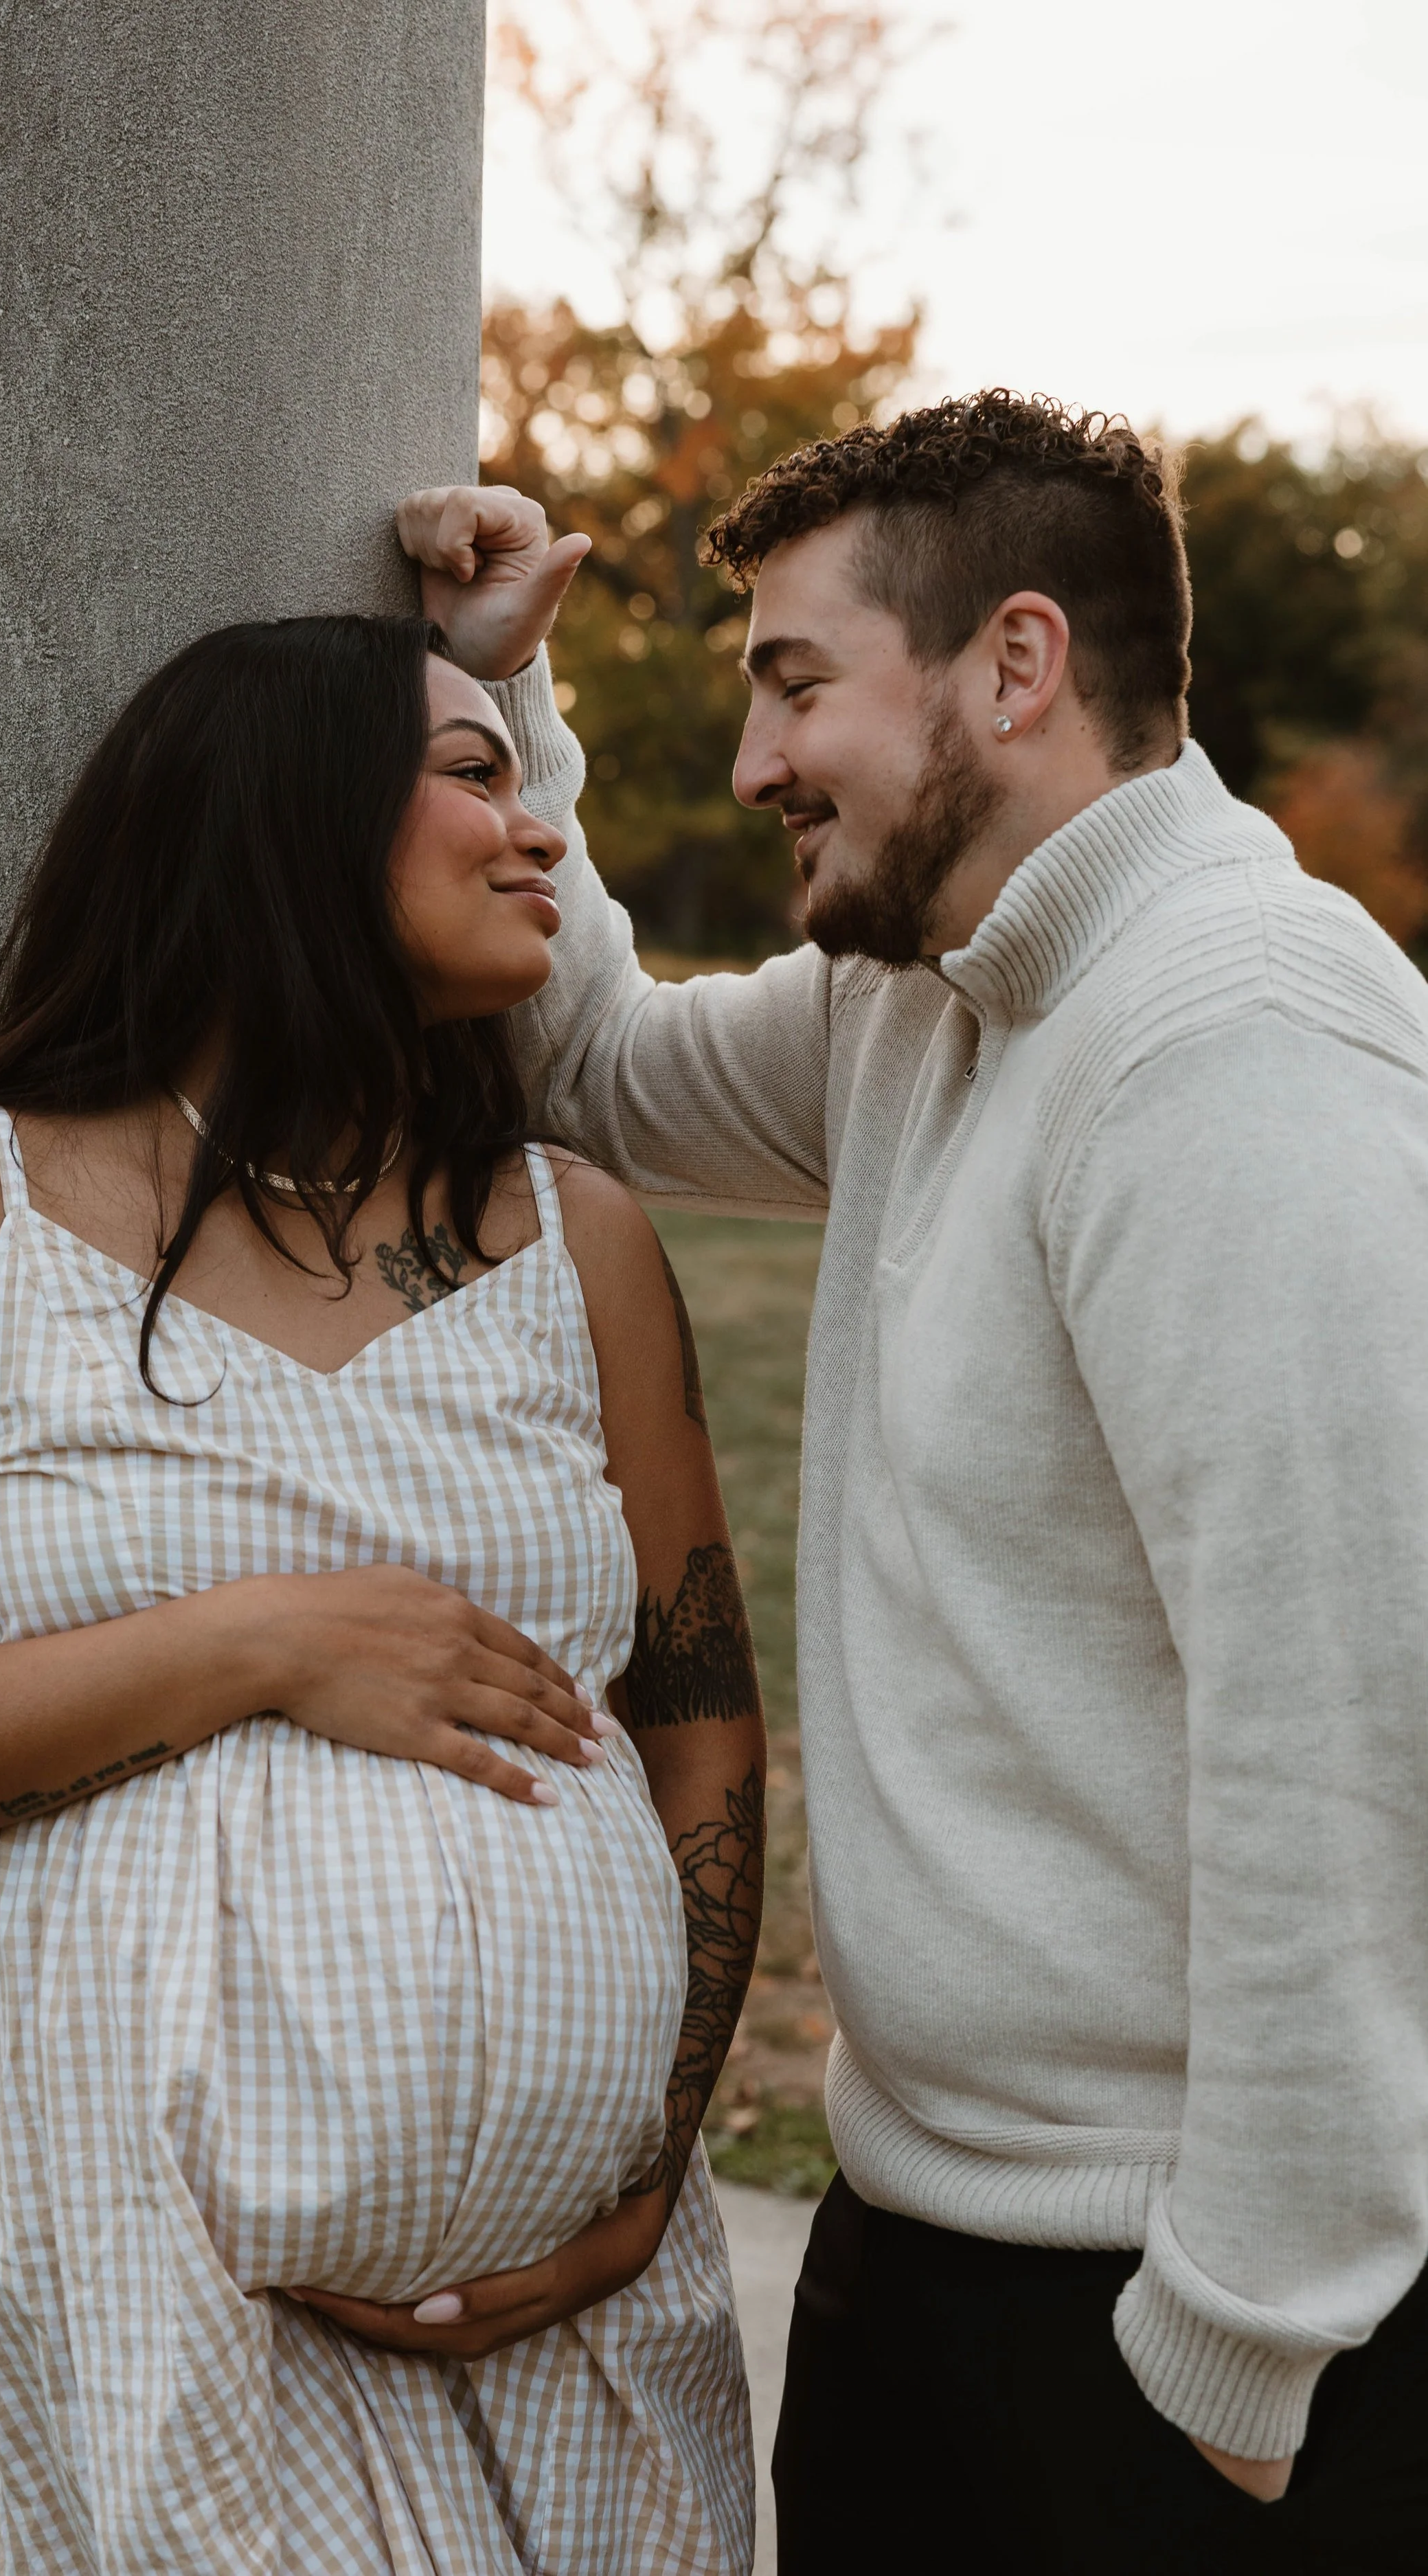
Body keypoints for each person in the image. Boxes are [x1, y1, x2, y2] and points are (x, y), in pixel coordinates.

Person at [397, 392, 1428, 2571]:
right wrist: (501, 690)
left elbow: (1351, 1725)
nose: (761, 761)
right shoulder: (928, 1004)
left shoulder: (1228, 1044)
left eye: (792, 681)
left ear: (1014, 665)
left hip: (1184, 2346)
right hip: (935, 2244)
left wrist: (1242, 2346)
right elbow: (586, 1061)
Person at [0, 613, 764, 2575]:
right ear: (283, 818)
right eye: (475, 773)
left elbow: (696, 1708)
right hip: (156, 2295)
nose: (539, 824)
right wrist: (261, 1644)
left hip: (591, 2314)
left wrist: (648, 2154)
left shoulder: (578, 1240)